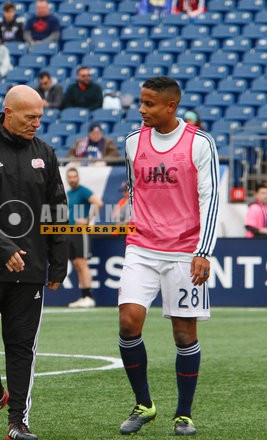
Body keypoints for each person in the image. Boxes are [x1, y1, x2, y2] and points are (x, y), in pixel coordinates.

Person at [0, 84, 68, 440]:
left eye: (40, 117)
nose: (37, 123)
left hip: (30, 269)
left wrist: (59, 260)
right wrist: (4, 248)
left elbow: (57, 208)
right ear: (9, 113)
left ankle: (18, 422)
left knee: (21, 347)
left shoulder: (45, 153)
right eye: (30, 117)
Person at [117, 76, 219, 437]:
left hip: (184, 251)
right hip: (141, 246)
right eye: (141, 102)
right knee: (128, 322)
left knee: (183, 334)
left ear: (170, 106)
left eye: (149, 104)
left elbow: (210, 198)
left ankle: (183, 414)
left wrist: (203, 251)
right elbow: (134, 191)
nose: (142, 109)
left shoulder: (200, 143)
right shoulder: (132, 142)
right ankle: (144, 405)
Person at [65, 167, 103, 308]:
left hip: (81, 231)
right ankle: (84, 296)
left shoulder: (83, 191)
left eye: (74, 176)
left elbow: (99, 203)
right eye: (70, 177)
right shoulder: (69, 193)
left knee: (82, 263)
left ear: (78, 177)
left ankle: (89, 297)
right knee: (76, 263)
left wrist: (87, 219)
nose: (72, 179)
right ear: (67, 179)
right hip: (71, 232)